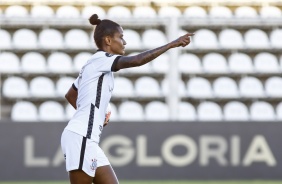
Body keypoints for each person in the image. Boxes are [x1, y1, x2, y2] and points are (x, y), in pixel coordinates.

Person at [61, 13, 193, 184]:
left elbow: (70, 95)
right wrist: (171, 44)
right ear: (108, 41)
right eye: (121, 37)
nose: (124, 42)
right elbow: (136, 61)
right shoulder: (101, 59)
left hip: (87, 137)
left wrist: (97, 115)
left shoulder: (93, 63)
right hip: (81, 136)